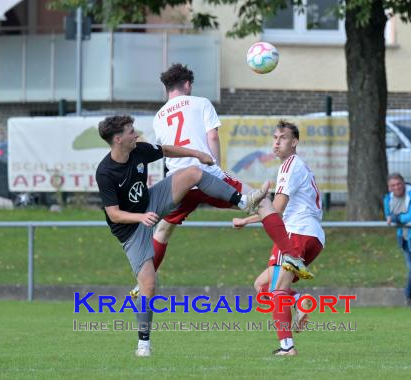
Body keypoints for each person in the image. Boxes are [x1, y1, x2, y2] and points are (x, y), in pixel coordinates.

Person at [128, 63, 310, 296]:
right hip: (206, 174)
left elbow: (167, 150)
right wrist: (216, 167)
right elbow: (212, 135)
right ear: (187, 85)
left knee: (162, 230)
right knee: (263, 202)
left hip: (179, 182)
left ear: (167, 89)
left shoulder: (159, 116)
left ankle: (143, 280)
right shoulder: (201, 103)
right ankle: (292, 256)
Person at [95, 115, 267, 357]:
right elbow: (114, 215)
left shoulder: (139, 151)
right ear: (117, 139)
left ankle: (244, 202)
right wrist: (141, 219)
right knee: (148, 285)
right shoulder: (105, 172)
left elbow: (166, 149)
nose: (136, 134)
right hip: (130, 230)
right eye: (131, 131)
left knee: (193, 173)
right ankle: (143, 344)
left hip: (151, 203)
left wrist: (197, 154)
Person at [233, 120, 325, 356]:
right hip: (311, 235)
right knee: (261, 285)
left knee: (277, 292)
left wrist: (245, 219)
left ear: (294, 143)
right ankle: (300, 301)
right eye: (275, 138)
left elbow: (277, 209)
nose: (276, 142)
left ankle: (287, 347)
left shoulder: (290, 167)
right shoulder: (293, 166)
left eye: (282, 138)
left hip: (297, 233)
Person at [383, 173, 411, 307]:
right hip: (403, 238)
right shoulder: (388, 198)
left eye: (398, 184)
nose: (396, 187)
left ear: (403, 183)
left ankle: (407, 293)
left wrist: (396, 218)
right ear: (389, 187)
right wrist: (394, 218)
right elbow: (388, 215)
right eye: (392, 185)